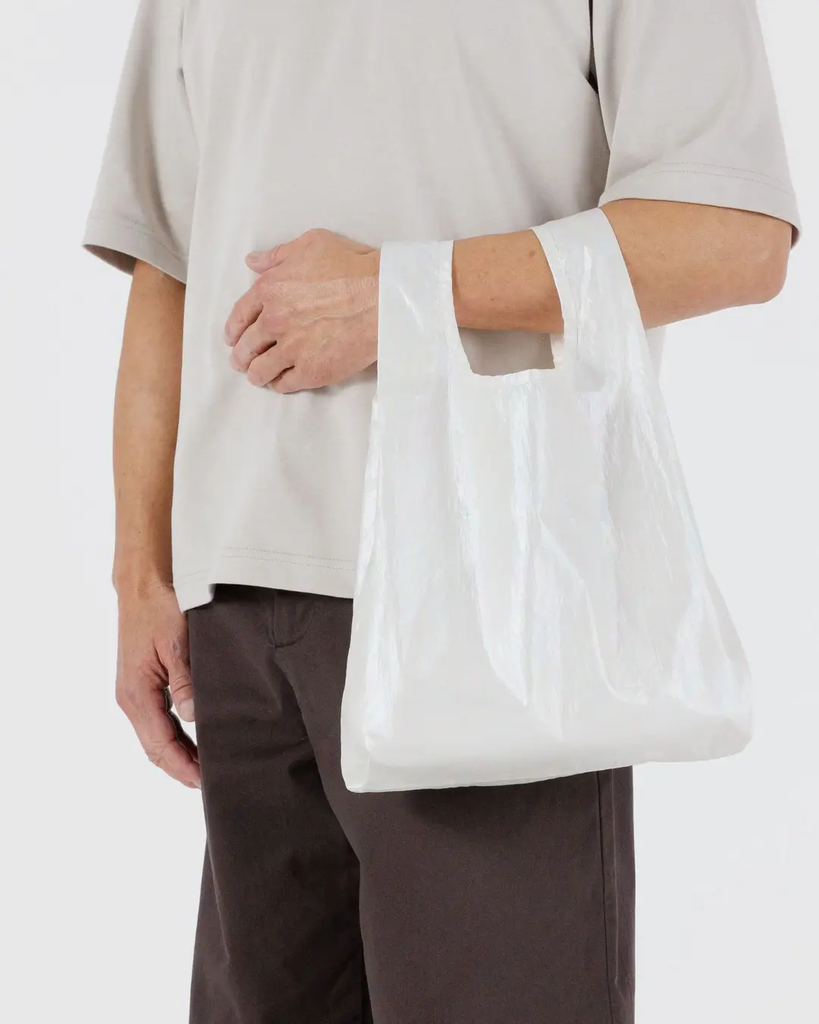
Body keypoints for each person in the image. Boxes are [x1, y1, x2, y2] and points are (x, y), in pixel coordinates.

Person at [83, 0, 799, 1021]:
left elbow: (734, 235)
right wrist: (141, 574)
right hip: (237, 613)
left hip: (489, 596)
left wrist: (401, 292)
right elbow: (167, 259)